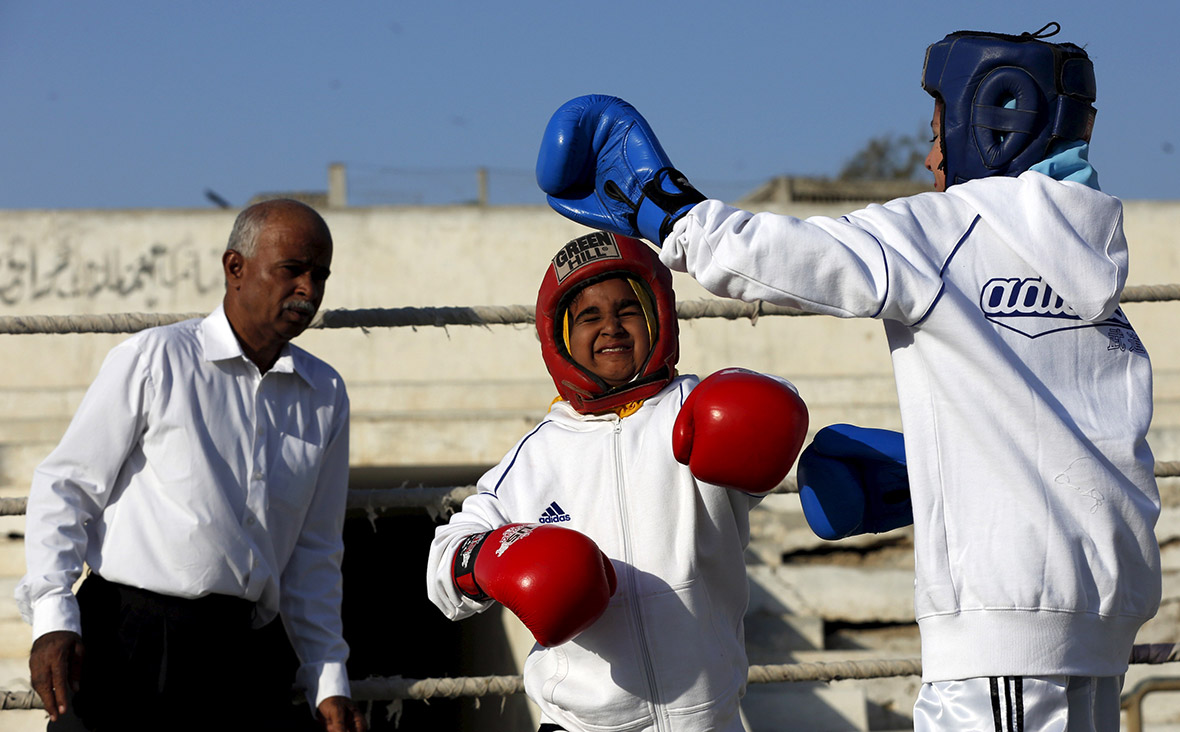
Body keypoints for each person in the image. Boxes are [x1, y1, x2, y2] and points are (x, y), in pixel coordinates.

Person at [535, 23, 1161, 732]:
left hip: (1004, 641)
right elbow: (1089, 448)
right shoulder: (1095, 280)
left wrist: (665, 207)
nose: (930, 157)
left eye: (936, 130)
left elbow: (794, 258)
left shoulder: (951, 230)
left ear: (996, 117)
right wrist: (934, 474)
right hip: (1095, 633)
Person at [425, 230, 809, 732]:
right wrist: (493, 561)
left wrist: (765, 411)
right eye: (589, 316)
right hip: (580, 725)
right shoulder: (537, 456)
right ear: (560, 337)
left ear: (658, 318)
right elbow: (444, 564)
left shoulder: (698, 410)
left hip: (709, 719)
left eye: (628, 310)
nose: (611, 328)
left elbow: (773, 415)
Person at [15, 198, 367, 732]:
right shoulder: (154, 359)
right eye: (291, 271)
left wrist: (327, 676)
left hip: (244, 652)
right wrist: (53, 617)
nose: (309, 291)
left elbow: (315, 551)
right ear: (235, 268)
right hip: (128, 640)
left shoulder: (325, 393)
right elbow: (66, 488)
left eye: (320, 275)